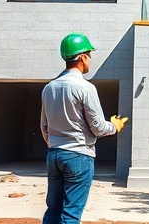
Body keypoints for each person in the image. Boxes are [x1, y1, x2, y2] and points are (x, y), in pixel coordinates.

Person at [40, 33, 128, 224]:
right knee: (70, 214)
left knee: (53, 211)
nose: (90, 60)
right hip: (78, 155)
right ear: (82, 57)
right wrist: (114, 126)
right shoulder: (85, 88)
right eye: (89, 55)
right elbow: (97, 127)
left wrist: (56, 144)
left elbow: (44, 126)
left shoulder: (49, 87)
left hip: (54, 154)